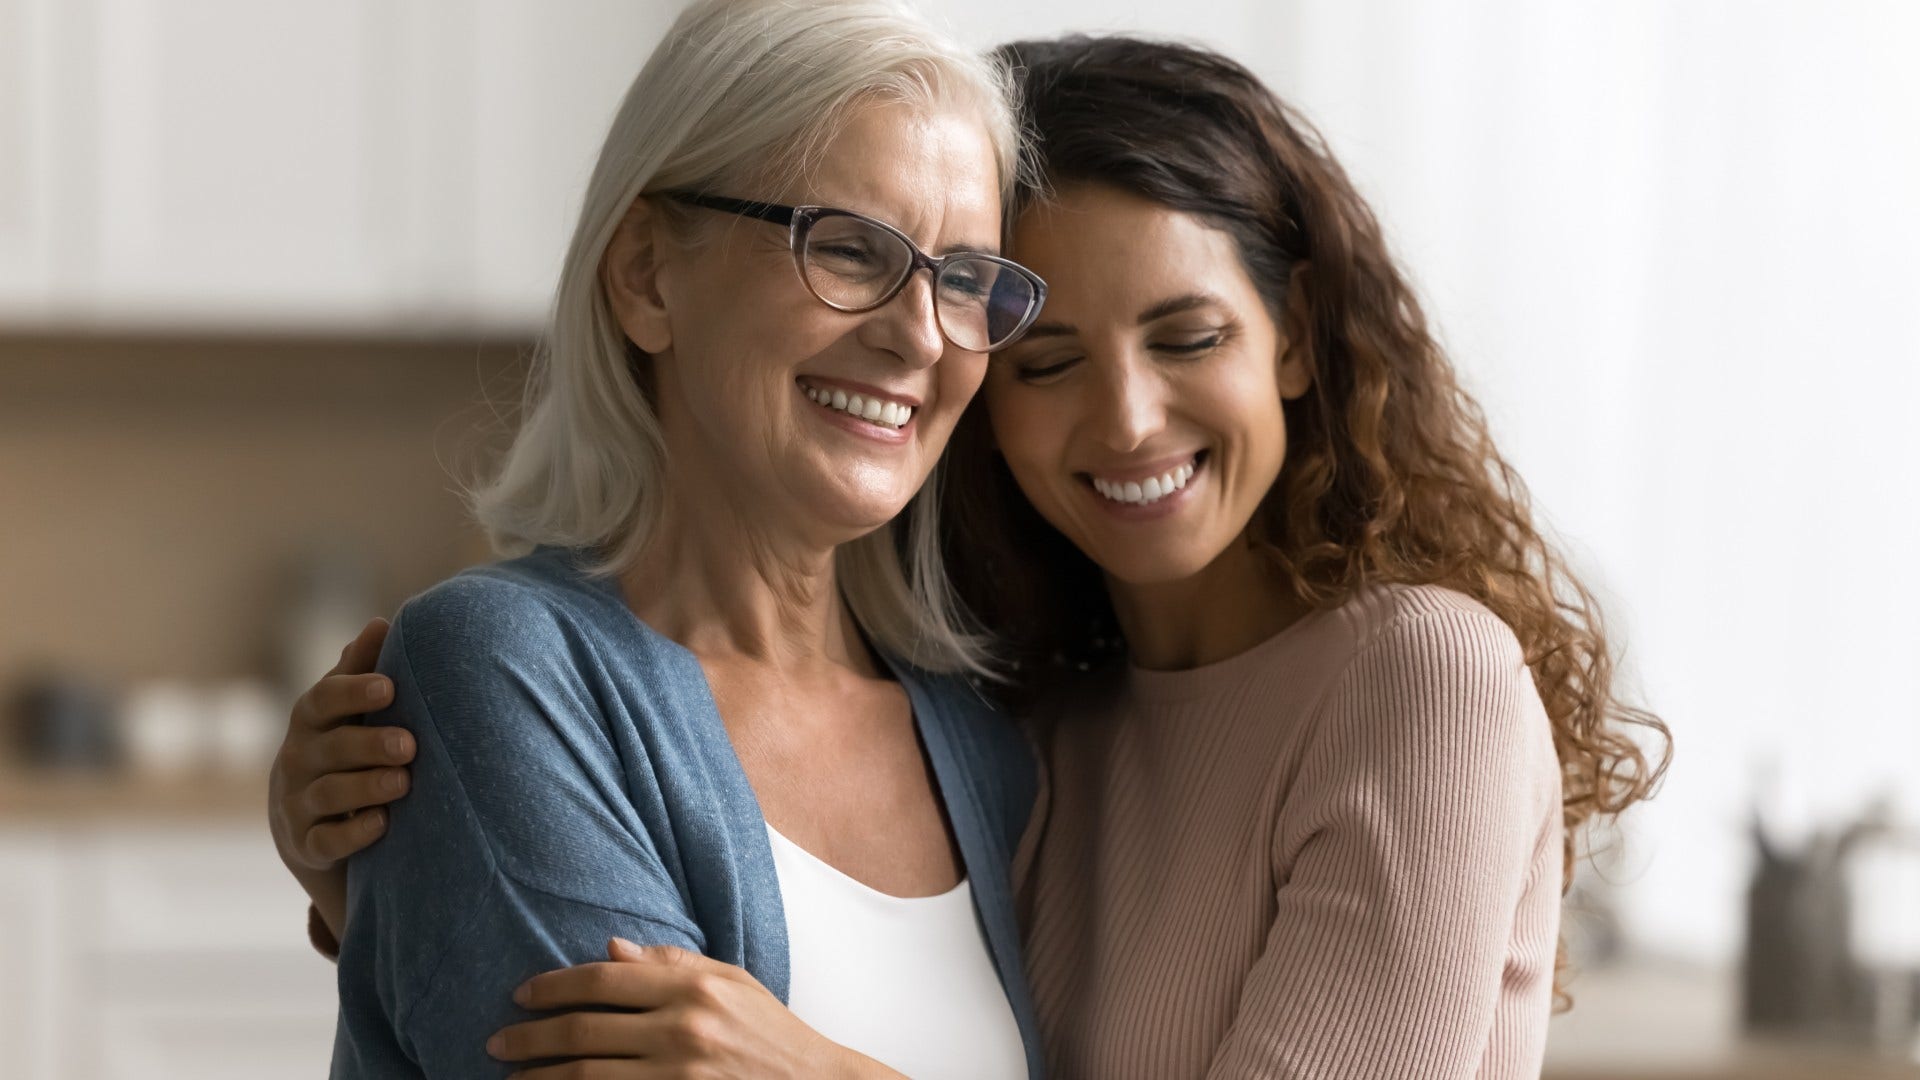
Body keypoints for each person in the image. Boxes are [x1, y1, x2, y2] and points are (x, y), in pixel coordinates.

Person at [275, 29, 1671, 1080]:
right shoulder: (1033, 723)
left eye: (961, 282)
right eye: (1046, 353)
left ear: (1295, 336)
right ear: (648, 276)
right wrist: (394, 878)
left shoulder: (1411, 679)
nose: (1128, 419)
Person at [276, 1, 1052, 1076]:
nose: (920, 335)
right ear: (647, 272)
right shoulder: (500, 671)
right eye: (848, 249)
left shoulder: (987, 747)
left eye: (964, 279)